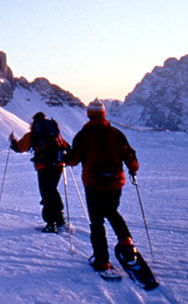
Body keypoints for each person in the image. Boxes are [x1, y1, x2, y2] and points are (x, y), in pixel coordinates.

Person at [64, 99, 140, 274]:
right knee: (112, 212)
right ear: (104, 114)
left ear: (89, 114)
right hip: (115, 182)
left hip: (94, 183)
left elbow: (74, 159)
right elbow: (129, 154)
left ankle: (102, 260)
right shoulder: (116, 133)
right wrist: (133, 169)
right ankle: (126, 243)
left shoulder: (83, 135)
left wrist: (64, 158)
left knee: (97, 221)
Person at [9, 112, 70, 233]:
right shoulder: (55, 133)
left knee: (46, 193)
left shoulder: (34, 134)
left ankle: (51, 224)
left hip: (44, 166)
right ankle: (59, 218)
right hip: (58, 165)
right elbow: (66, 147)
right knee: (52, 190)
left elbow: (21, 147)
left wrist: (13, 142)